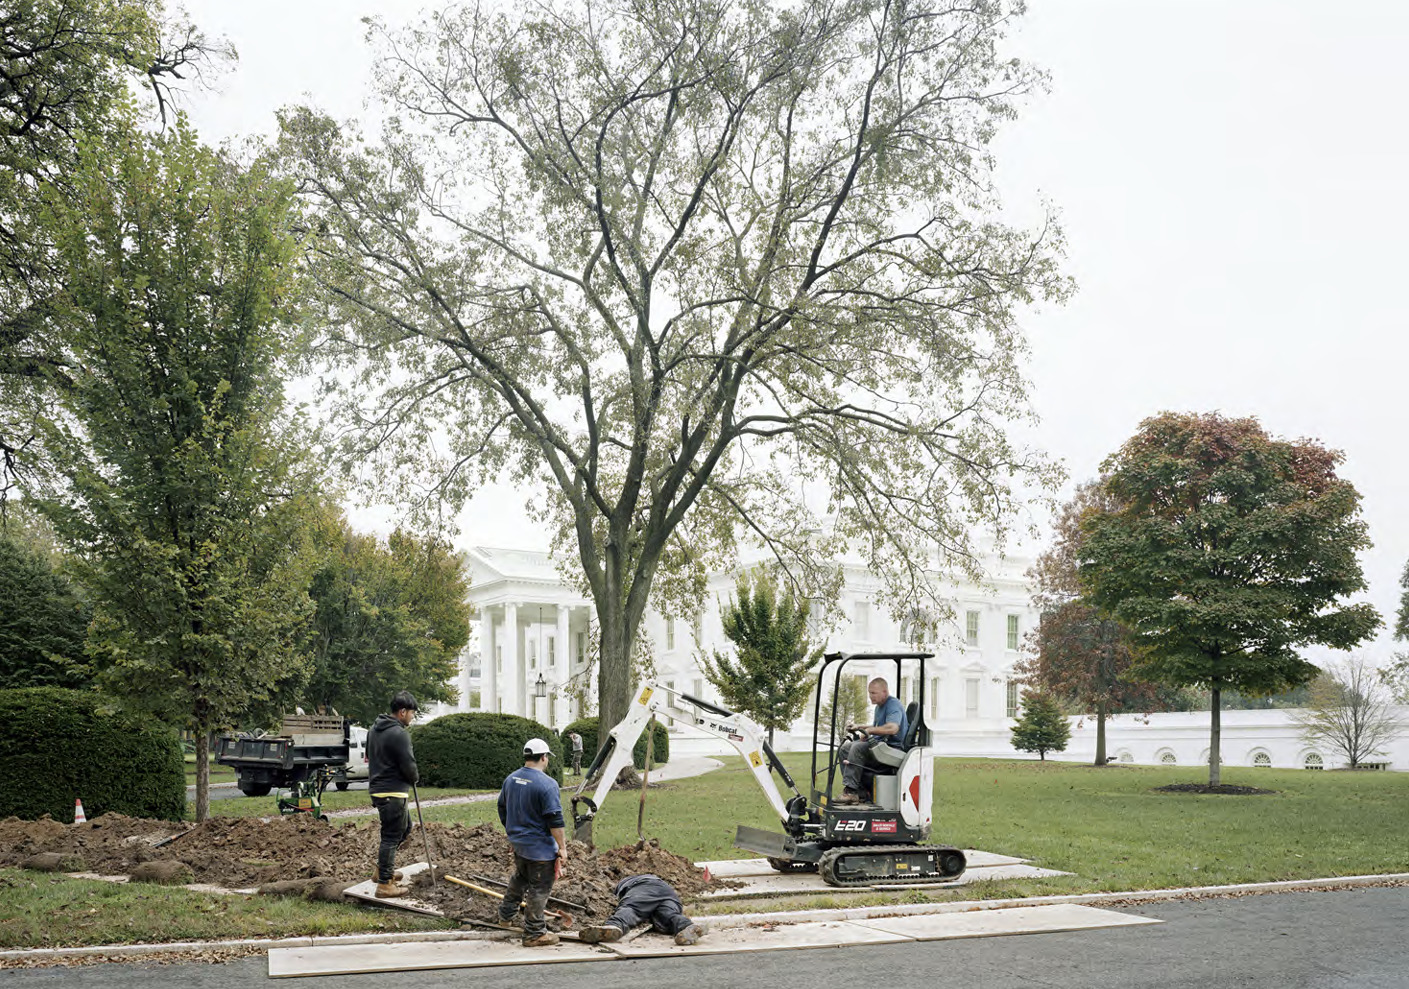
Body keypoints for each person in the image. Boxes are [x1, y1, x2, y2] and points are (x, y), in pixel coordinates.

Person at [497, 737, 568, 947]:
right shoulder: (547, 784)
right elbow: (555, 820)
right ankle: (534, 933)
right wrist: (562, 847)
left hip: (519, 844)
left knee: (519, 879)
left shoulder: (511, 779)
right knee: (539, 888)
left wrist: (513, 831)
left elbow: (502, 808)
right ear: (544, 758)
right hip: (540, 850)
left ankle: (505, 916)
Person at [367, 690, 420, 897]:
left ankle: (382, 870)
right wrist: (414, 777)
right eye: (412, 713)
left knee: (405, 827)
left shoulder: (374, 730)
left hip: (380, 788)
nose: (412, 717)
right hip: (392, 791)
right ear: (403, 712)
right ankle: (384, 884)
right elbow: (408, 764)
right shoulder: (399, 734)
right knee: (390, 836)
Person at [578, 874, 704, 945]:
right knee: (668, 916)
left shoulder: (625, 884)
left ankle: (614, 926)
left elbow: (626, 904)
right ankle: (686, 926)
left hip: (644, 888)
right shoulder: (658, 880)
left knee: (631, 908)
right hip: (669, 895)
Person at [836, 677, 907, 804]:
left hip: (891, 748)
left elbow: (893, 728)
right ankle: (860, 791)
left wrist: (870, 731)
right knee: (844, 748)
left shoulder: (893, 705)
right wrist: (860, 727)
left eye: (874, 693)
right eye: (869, 693)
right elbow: (878, 727)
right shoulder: (879, 707)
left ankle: (851, 792)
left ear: (884, 692)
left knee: (857, 748)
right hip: (880, 745)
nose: (870, 696)